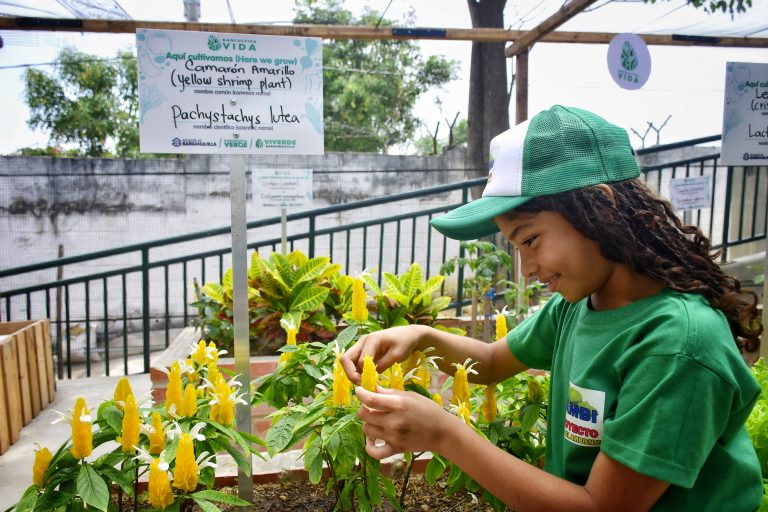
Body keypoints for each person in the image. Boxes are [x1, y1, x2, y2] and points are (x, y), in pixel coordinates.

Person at [340, 105, 764, 511]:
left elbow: (600, 508)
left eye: (530, 240)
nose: (525, 270)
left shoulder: (678, 345)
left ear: (601, 209)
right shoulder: (578, 305)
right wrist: (420, 337)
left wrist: (443, 434)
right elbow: (490, 361)